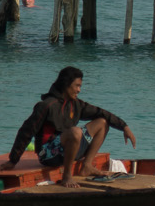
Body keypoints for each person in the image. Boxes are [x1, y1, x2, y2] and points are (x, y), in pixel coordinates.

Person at [8, 66, 136, 187]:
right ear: (66, 85)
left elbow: (101, 112)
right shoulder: (46, 105)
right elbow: (26, 131)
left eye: (80, 86)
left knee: (102, 122)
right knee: (75, 132)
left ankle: (87, 166)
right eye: (77, 86)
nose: (79, 90)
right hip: (48, 154)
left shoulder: (76, 105)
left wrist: (124, 127)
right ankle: (67, 176)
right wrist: (13, 160)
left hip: (69, 149)